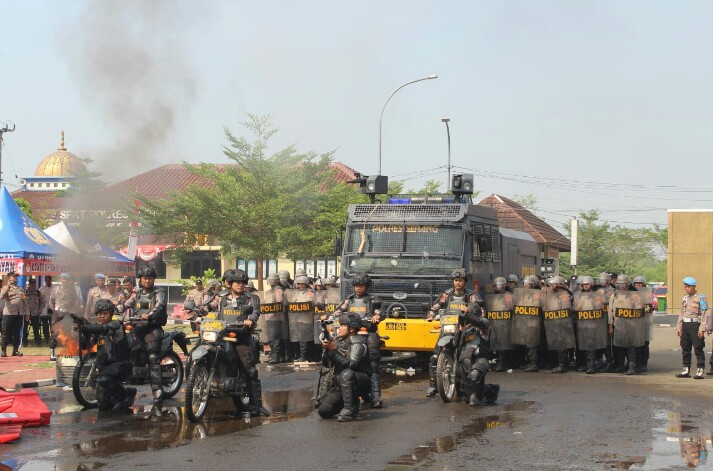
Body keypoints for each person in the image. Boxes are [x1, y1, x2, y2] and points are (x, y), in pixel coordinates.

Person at [205, 269, 268, 416]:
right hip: (221, 335)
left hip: (241, 337)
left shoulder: (251, 298)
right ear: (230, 284)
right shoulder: (221, 297)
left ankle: (256, 405)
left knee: (250, 369)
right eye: (237, 282)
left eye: (243, 282)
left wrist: (250, 320)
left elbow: (256, 312)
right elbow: (208, 306)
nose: (240, 285)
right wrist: (196, 310)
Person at [331, 273, 384, 408]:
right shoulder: (349, 299)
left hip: (367, 332)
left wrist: (376, 317)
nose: (358, 288)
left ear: (366, 287)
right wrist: (330, 316)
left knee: (373, 362)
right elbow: (339, 311)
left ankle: (376, 395)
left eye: (361, 286)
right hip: (350, 333)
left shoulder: (373, 299)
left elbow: (378, 312)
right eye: (356, 286)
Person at [425, 268, 480, 397]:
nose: (458, 283)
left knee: (467, 357)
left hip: (464, 328)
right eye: (456, 280)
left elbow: (477, 307)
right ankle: (433, 385)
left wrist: (470, 310)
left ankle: (467, 385)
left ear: (465, 282)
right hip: (448, 328)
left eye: (460, 281)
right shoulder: (447, 294)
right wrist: (431, 314)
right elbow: (436, 306)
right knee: (435, 356)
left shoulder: (470, 295)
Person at [76, 299, 135, 412]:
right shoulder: (97, 329)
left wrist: (85, 327)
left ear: (111, 314)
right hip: (106, 368)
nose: (102, 316)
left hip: (120, 366)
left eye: (105, 313)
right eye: (100, 314)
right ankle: (119, 395)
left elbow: (104, 329)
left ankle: (126, 396)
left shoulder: (116, 325)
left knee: (104, 378)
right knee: (103, 406)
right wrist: (82, 332)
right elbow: (85, 346)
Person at [316, 313, 372, 422]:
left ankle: (350, 410)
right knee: (323, 411)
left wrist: (333, 350)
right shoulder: (339, 341)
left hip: (361, 382)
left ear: (351, 329)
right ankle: (352, 403)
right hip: (341, 384)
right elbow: (327, 365)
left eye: (343, 325)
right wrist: (327, 350)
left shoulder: (358, 343)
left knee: (347, 374)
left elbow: (352, 365)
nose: (339, 328)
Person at [126, 266, 167, 403]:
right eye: (145, 278)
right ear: (140, 279)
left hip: (152, 328)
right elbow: (127, 304)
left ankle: (157, 390)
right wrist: (113, 308)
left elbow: (160, 306)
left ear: (154, 279)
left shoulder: (159, 292)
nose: (147, 281)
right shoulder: (136, 293)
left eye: (150, 278)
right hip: (137, 328)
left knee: (153, 357)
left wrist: (148, 315)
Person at [459, 308, 500, 406]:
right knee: (467, 396)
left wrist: (467, 315)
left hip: (481, 359)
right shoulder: (465, 329)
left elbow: (480, 322)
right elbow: (456, 345)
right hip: (466, 361)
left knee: (474, 397)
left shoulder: (484, 324)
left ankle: (486, 393)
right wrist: (460, 331)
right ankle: (489, 389)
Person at [608, 275, 644, 375]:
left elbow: (639, 309)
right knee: (619, 346)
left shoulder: (633, 295)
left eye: (623, 284)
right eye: (619, 284)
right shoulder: (613, 296)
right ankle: (620, 365)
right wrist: (610, 325)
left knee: (631, 347)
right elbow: (610, 312)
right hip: (618, 325)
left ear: (627, 284)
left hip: (631, 324)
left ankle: (631, 366)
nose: (621, 286)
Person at [676, 277, 707, 379]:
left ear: (694, 286)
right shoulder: (684, 298)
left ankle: (700, 370)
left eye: (689, 286)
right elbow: (681, 313)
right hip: (685, 325)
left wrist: (702, 328)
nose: (687, 288)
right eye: (686, 286)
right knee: (685, 347)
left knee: (698, 348)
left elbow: (703, 314)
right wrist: (679, 327)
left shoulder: (701, 298)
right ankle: (686, 369)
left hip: (695, 325)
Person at [543, 276, 575, 373]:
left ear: (560, 284)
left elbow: (566, 308)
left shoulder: (564, 294)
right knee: (555, 344)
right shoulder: (550, 293)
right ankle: (557, 364)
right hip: (552, 321)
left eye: (554, 284)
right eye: (551, 284)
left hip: (561, 322)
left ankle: (562, 365)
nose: (552, 286)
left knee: (561, 345)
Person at [48, 273, 83, 361]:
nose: (64, 281)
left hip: (68, 313)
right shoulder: (56, 289)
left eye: (66, 279)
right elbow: (51, 301)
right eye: (62, 279)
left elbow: (77, 301)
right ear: (60, 280)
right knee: (54, 333)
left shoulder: (73, 290)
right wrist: (55, 310)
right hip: (58, 312)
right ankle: (52, 352)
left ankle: (68, 351)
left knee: (67, 333)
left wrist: (73, 310)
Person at [486, 277, 514, 372]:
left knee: (503, 344)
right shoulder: (492, 295)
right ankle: (498, 362)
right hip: (495, 322)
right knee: (496, 343)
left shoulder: (507, 295)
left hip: (505, 322)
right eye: (495, 285)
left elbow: (510, 307)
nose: (496, 287)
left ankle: (502, 364)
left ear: (503, 285)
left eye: (497, 285)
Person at [1, 271, 27, 357]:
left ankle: (15, 350)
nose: (16, 278)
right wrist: (8, 285)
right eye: (14, 276)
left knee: (17, 332)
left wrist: (27, 313)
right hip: (9, 313)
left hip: (19, 313)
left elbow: (24, 301)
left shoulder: (20, 288)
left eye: (16, 277)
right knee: (6, 332)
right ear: (9, 278)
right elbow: (1, 296)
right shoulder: (5, 287)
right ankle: (3, 350)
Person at [23, 279, 44, 348]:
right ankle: (24, 342)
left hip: (35, 313)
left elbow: (42, 302)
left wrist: (40, 310)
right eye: (31, 284)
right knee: (24, 328)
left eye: (34, 284)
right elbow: (22, 302)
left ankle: (37, 342)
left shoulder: (38, 292)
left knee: (36, 328)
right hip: (26, 313)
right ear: (29, 285)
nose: (33, 285)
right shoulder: (25, 292)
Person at [38, 275, 54, 346]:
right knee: (45, 324)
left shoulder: (55, 288)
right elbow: (38, 299)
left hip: (52, 309)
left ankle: (53, 338)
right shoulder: (41, 289)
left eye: (49, 280)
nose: (47, 281)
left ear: (51, 280)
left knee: (52, 324)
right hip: (44, 309)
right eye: (46, 280)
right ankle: (46, 338)